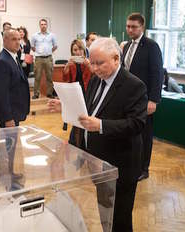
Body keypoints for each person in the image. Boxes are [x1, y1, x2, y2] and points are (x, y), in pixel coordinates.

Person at [49, 37, 148, 232]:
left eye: (99, 63)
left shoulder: (134, 86)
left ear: (116, 59)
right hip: (99, 163)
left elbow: (136, 124)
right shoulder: (96, 80)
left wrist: (101, 125)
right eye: (92, 62)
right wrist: (66, 105)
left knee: (120, 218)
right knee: (106, 213)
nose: (93, 68)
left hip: (121, 165)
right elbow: (89, 109)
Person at [122, 12, 163, 181]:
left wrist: (153, 100)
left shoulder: (151, 46)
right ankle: (131, 163)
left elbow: (157, 74)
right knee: (129, 132)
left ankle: (144, 168)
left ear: (142, 28)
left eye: (134, 27)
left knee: (145, 135)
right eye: (128, 26)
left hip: (145, 99)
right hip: (128, 98)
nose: (130, 29)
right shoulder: (126, 46)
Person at [0, 29, 30, 190]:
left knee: (11, 146)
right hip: (8, 113)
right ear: (5, 40)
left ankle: (10, 172)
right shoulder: (2, 61)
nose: (18, 42)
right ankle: (7, 178)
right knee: (8, 146)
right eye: (14, 39)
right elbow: (1, 93)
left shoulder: (12, 57)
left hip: (15, 111)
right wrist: (8, 118)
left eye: (19, 39)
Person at [62, 39, 92, 147]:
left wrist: (89, 66)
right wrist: (66, 68)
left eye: (79, 49)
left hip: (87, 95)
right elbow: (66, 80)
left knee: (84, 121)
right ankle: (76, 144)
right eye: (75, 50)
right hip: (75, 95)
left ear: (83, 50)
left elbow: (96, 77)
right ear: (72, 52)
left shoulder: (89, 62)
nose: (77, 52)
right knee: (77, 122)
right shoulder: (71, 64)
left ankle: (79, 144)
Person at [31, 18, 58, 99]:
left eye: (45, 24)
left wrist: (49, 51)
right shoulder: (34, 36)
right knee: (37, 77)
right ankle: (36, 94)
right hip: (38, 59)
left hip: (48, 58)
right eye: (42, 24)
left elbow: (55, 46)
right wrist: (39, 52)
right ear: (39, 25)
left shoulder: (52, 35)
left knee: (49, 77)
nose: (43, 26)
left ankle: (49, 93)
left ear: (47, 25)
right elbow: (32, 47)